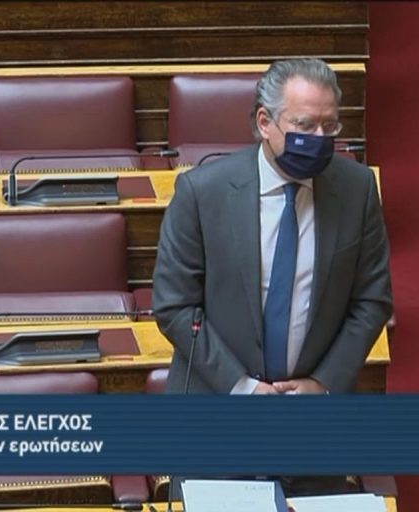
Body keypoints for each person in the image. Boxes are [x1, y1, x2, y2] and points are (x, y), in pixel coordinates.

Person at [153, 57, 392, 396]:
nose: (319, 138)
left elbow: (372, 300)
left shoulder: (358, 189)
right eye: (305, 125)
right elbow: (174, 306)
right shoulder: (201, 193)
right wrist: (243, 387)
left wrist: (324, 383)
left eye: (330, 126)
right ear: (265, 122)